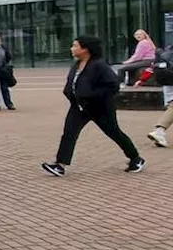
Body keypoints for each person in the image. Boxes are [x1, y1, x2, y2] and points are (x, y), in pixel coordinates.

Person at [42, 36, 145, 177]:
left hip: (100, 108)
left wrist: (92, 95)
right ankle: (60, 165)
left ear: (85, 49)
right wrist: (70, 94)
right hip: (78, 107)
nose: (72, 48)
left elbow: (113, 86)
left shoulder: (99, 65)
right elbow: (71, 84)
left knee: (114, 132)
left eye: (75, 45)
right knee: (69, 133)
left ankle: (135, 158)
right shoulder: (77, 65)